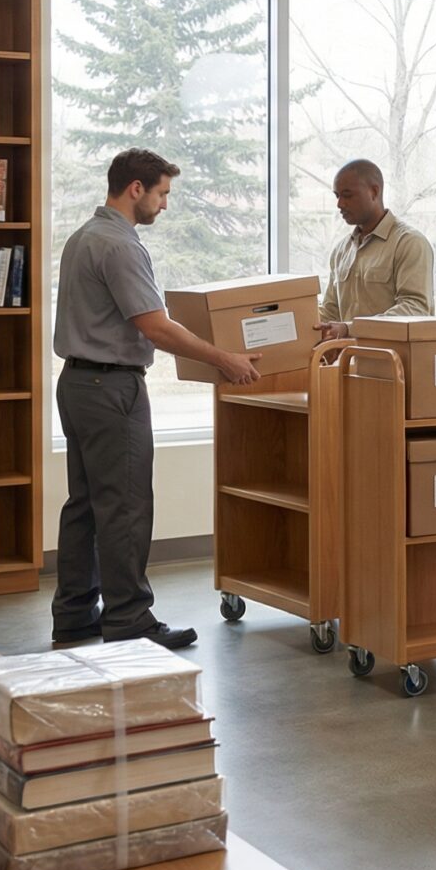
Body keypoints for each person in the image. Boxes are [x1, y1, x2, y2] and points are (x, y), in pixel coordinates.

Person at [53, 148, 262, 651]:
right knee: (124, 505)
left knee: (84, 505)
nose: (165, 206)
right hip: (111, 389)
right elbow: (154, 326)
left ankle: (75, 615)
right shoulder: (120, 246)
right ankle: (128, 618)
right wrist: (223, 359)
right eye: (163, 194)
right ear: (136, 189)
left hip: (77, 384)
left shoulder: (82, 237)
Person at [314, 158, 434, 340]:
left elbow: (415, 309)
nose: (339, 204)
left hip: (398, 364)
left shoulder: (409, 243)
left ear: (374, 191)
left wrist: (350, 329)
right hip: (350, 363)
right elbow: (331, 311)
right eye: (337, 196)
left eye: (347, 195)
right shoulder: (341, 251)